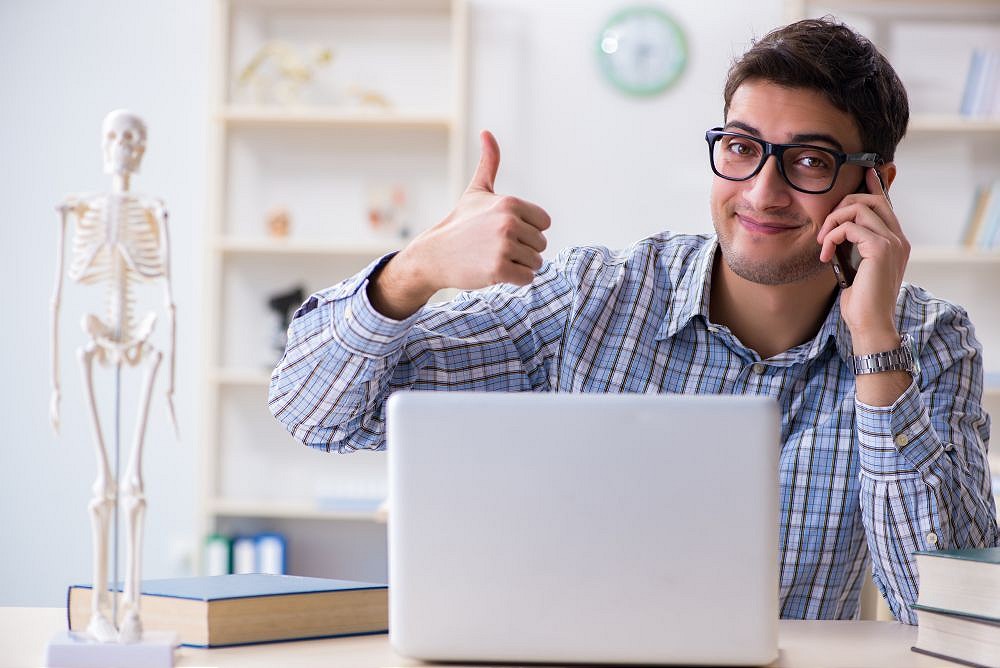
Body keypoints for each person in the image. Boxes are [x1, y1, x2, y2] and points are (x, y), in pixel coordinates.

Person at [268, 18, 997, 623]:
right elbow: (314, 413)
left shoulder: (928, 343)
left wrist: (874, 344)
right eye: (741, 149)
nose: (762, 192)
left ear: (876, 186)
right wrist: (413, 272)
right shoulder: (598, 299)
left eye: (807, 160)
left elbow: (946, 614)